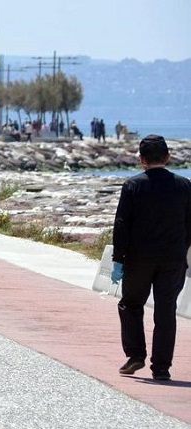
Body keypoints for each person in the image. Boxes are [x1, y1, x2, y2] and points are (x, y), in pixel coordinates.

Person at [110, 135, 191, 381]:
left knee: (131, 304)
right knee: (166, 311)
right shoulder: (185, 186)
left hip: (139, 259)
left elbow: (121, 224)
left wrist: (118, 259)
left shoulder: (133, 185)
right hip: (173, 260)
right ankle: (162, 367)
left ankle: (136, 355)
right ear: (168, 157)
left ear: (141, 160)